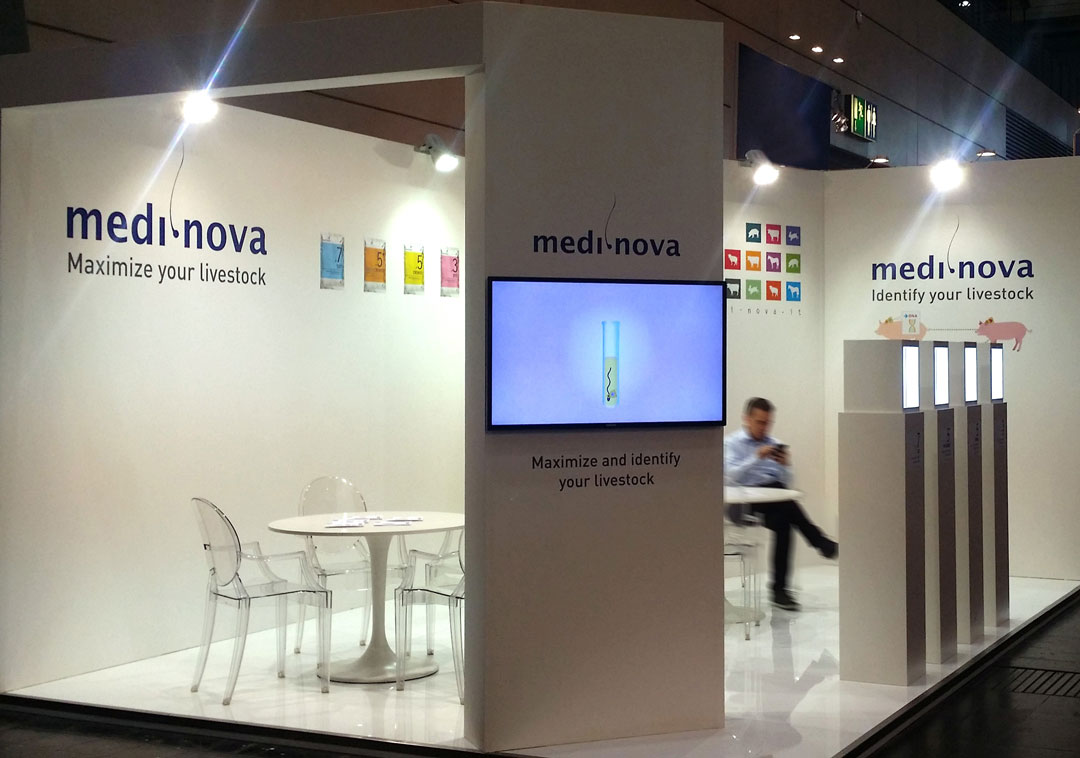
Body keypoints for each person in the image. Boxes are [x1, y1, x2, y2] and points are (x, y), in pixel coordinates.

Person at [725, 397, 837, 611]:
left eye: (768, 423)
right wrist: (756, 458)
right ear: (747, 419)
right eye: (760, 422)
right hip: (741, 503)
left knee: (784, 521)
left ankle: (780, 591)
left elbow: (786, 484)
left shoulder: (773, 443)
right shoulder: (732, 443)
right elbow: (729, 477)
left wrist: (785, 465)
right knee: (786, 509)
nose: (764, 427)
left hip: (771, 501)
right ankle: (820, 543)